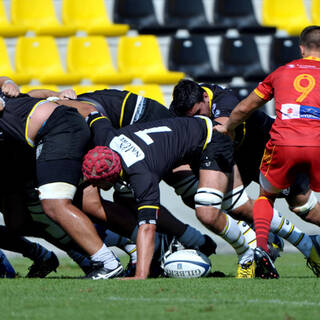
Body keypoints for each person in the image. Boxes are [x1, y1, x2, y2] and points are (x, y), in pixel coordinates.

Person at [170, 79, 320, 278]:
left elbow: (218, 133)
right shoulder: (179, 108)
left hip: (266, 149)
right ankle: (266, 239)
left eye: (199, 113)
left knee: (303, 207)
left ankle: (309, 244)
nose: (197, 120)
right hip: (235, 157)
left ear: (205, 97)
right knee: (206, 198)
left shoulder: (224, 100)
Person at [82, 115, 255, 279]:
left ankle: (247, 252)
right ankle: (259, 234)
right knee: (124, 197)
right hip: (191, 136)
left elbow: (147, 227)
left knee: (209, 212)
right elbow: (92, 112)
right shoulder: (105, 136)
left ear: (111, 176)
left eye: (97, 182)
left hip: (212, 138)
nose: (94, 186)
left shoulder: (141, 176)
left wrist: (140, 275)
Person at [214, 25, 320, 278]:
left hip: (283, 142)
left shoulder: (282, 72)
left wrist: (228, 126)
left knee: (265, 196)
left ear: (302, 48)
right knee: (304, 201)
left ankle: (261, 248)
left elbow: (245, 107)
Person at [0, 86, 123, 279]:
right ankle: (108, 248)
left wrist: (54, 95)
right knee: (20, 222)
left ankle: (108, 261)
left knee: (55, 204)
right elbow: (30, 93)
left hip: (57, 130)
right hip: (37, 144)